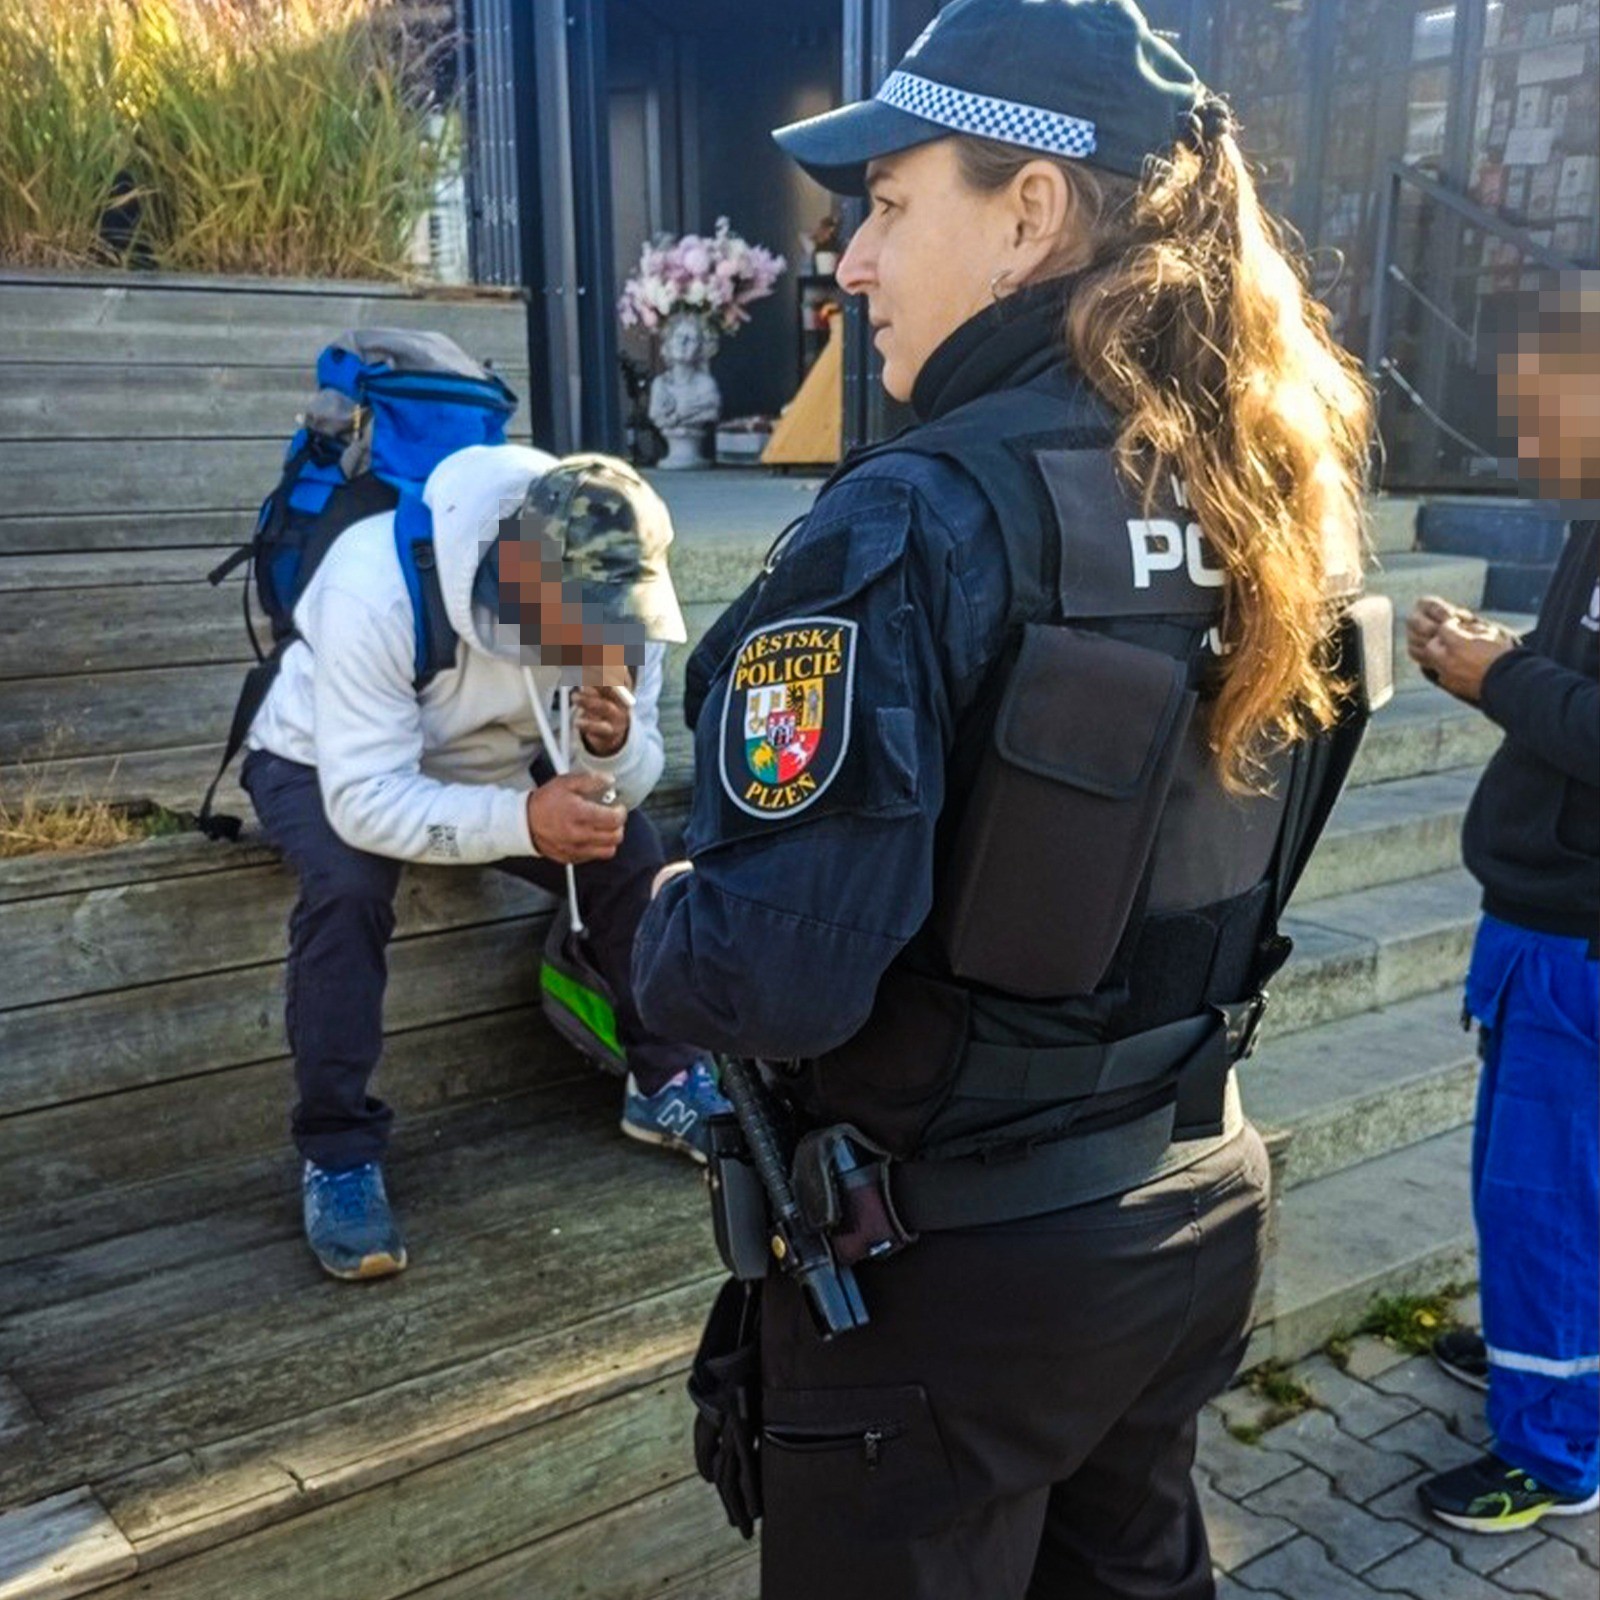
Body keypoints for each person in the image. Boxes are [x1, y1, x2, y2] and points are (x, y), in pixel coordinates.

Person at [630, 2, 1379, 1594]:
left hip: (952, 1287)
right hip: (1184, 1212)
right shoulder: (1264, 491)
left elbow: (772, 978)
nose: (850, 262)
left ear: (1030, 213)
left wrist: (664, 906)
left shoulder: (914, 519)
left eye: (890, 206)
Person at [244, 446, 729, 1281]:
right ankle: (337, 1150)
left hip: (497, 754)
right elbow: (363, 801)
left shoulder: (620, 588)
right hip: (322, 756)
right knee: (348, 888)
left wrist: (611, 744)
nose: (592, 641)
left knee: (631, 853)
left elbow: (629, 781)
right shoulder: (376, 582)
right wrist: (523, 823)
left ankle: (666, 1076)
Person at [1410, 277, 1599, 1533]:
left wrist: (1501, 677)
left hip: (1579, 940)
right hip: (1547, 923)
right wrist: (1499, 662)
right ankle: (1544, 1352)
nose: (1525, 433)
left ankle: (1552, 1448)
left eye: (1542, 402)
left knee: (1545, 1198)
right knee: (1535, 1189)